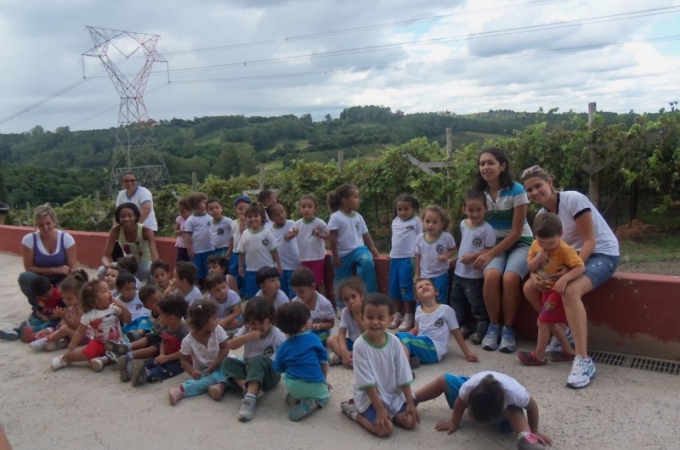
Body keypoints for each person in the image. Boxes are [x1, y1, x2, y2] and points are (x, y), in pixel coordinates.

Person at [521, 165, 619, 389]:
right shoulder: (541, 216)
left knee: (571, 290)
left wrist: (570, 271)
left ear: (550, 183)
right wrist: (535, 274)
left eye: (538, 186)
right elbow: (540, 252)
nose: (535, 192)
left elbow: (590, 242)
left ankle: (583, 360)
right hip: (567, 259)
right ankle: (565, 333)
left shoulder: (573, 200)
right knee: (528, 288)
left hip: (601, 254)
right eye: (530, 190)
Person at [473, 147, 534, 354]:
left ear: (502, 166)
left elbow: (516, 232)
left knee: (510, 278)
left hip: (521, 243)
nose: (486, 167)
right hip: (494, 245)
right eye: (482, 163)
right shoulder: (480, 194)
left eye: (490, 163)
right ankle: (494, 326)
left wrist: (489, 254)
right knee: (490, 275)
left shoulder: (517, 191)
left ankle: (508, 330)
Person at [340, 294, 419, 438]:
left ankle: (391, 412)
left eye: (380, 318)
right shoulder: (360, 345)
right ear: (362, 317)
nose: (375, 322)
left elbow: (403, 373)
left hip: (391, 392)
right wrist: (380, 409)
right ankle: (353, 412)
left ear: (390, 319)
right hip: (369, 396)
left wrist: (409, 402)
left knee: (410, 422)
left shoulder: (394, 341)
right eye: (370, 317)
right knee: (385, 430)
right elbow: (367, 383)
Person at [413, 371, 552, 450]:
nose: (476, 424)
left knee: (515, 411)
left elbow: (532, 407)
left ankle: (527, 439)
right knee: (444, 379)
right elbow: (460, 402)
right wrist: (454, 422)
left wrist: (534, 430)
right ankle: (413, 398)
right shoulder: (468, 388)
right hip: (476, 387)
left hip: (506, 403)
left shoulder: (516, 394)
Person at [518, 213, 583, 366]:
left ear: (560, 235)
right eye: (541, 242)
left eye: (551, 243)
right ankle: (569, 351)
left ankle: (539, 356)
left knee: (542, 322)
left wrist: (565, 278)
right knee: (552, 323)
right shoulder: (535, 245)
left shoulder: (564, 250)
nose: (545, 247)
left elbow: (580, 267)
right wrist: (539, 257)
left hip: (557, 292)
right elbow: (530, 266)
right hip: (544, 290)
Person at [217, 297, 285, 422]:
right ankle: (249, 388)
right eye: (253, 323)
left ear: (270, 319)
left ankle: (250, 398)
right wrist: (248, 336)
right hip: (249, 370)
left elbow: (287, 351)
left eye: (261, 322)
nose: (257, 327)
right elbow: (230, 345)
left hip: (270, 374)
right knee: (226, 360)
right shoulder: (246, 330)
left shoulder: (276, 333)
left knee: (258, 360)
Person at [51, 279, 131, 372]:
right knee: (87, 353)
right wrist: (71, 348)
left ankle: (103, 360)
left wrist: (122, 307)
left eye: (109, 289)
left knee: (125, 351)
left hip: (117, 342)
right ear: (95, 300)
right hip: (99, 342)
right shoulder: (89, 314)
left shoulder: (114, 308)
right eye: (105, 291)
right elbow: (79, 332)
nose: (110, 292)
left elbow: (127, 320)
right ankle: (65, 359)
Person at [396, 278, 478, 367]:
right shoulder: (418, 310)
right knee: (397, 339)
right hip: (422, 343)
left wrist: (467, 353)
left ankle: (404, 371)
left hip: (434, 348)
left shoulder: (446, 310)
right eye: (420, 287)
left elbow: (456, 332)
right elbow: (416, 329)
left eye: (427, 284)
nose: (424, 287)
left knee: (403, 337)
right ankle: (411, 360)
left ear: (436, 292)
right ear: (417, 299)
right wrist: (408, 336)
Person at [450, 190, 496, 344]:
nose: (475, 214)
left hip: (474, 276)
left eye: (478, 210)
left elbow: (490, 250)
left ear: (486, 209)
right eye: (470, 210)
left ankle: (481, 329)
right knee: (457, 302)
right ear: (464, 209)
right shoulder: (463, 224)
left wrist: (473, 256)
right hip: (458, 273)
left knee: (477, 305)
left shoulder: (487, 229)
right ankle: (462, 327)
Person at [274, 302, 331, 421]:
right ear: (302, 325)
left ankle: (295, 397)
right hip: (313, 383)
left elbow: (278, 369)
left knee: (289, 375)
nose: (311, 320)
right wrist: (323, 381)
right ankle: (313, 403)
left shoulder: (282, 347)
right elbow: (324, 361)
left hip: (293, 386)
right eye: (308, 318)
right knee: (325, 394)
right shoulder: (313, 338)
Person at [17, 204, 78, 316]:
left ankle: (65, 307)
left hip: (62, 280)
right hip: (41, 281)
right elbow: (29, 268)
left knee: (76, 280)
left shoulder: (66, 238)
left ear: (54, 222)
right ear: (36, 225)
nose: (45, 228)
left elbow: (73, 267)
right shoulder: (29, 240)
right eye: (41, 225)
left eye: (48, 223)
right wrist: (54, 270)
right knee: (25, 278)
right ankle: (39, 306)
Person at [168, 300, 230, 406]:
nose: (217, 321)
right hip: (205, 370)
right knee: (212, 378)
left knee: (236, 367)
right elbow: (184, 360)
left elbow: (225, 348)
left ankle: (218, 385)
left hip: (222, 362)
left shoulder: (217, 330)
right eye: (214, 318)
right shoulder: (188, 341)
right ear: (203, 322)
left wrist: (216, 363)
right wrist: (192, 371)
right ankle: (181, 390)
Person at [327, 184, 379, 304]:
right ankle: (341, 305)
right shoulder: (336, 217)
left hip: (359, 249)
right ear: (345, 200)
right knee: (341, 279)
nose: (358, 200)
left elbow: (365, 233)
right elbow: (333, 239)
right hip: (342, 253)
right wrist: (335, 256)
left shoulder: (358, 217)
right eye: (355, 197)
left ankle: (370, 296)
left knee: (367, 263)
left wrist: (372, 247)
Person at [128, 294, 190, 387]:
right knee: (150, 362)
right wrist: (162, 354)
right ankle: (134, 371)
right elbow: (163, 341)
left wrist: (168, 358)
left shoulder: (183, 331)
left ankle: (146, 375)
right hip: (166, 356)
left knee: (165, 369)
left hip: (180, 361)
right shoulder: (165, 326)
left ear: (171, 318)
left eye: (161, 315)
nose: (159, 318)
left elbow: (185, 352)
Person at [29, 271, 89, 351]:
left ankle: (46, 340)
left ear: (81, 295)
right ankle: (53, 340)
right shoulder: (71, 306)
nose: (66, 301)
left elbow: (76, 327)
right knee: (55, 327)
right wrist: (60, 324)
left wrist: (63, 317)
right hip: (73, 333)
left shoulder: (81, 309)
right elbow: (65, 321)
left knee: (64, 329)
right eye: (64, 298)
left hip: (83, 337)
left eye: (69, 299)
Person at [101, 203, 159, 283]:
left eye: (130, 215)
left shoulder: (146, 231)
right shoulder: (115, 231)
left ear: (136, 216)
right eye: (122, 216)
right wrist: (108, 266)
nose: (126, 219)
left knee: (154, 272)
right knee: (101, 271)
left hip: (144, 265)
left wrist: (155, 268)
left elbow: (154, 255)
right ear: (118, 218)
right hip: (127, 265)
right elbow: (105, 256)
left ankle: (149, 292)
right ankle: (111, 292)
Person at [389, 194, 422, 331]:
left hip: (408, 259)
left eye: (406, 209)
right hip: (394, 258)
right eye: (399, 209)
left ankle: (409, 315)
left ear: (413, 209)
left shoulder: (416, 221)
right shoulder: (395, 220)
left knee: (406, 288)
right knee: (394, 288)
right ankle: (398, 314)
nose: (402, 212)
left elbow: (421, 239)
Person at [237, 203, 282, 299]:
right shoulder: (245, 234)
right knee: (254, 297)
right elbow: (241, 252)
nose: (253, 219)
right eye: (249, 216)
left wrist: (278, 264)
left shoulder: (267, 232)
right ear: (246, 218)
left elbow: (274, 250)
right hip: (251, 271)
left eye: (255, 216)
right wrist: (240, 266)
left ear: (261, 217)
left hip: (268, 270)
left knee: (270, 294)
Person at [414, 205, 457, 305]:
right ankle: (421, 319)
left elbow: (453, 249)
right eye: (427, 221)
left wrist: (446, 255)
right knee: (422, 298)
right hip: (424, 276)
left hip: (440, 275)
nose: (430, 225)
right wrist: (417, 274)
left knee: (440, 298)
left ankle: (439, 319)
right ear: (423, 222)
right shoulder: (419, 238)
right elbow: (417, 256)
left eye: (434, 222)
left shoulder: (446, 237)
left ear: (442, 223)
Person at [295, 194, 330, 294]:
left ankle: (324, 303)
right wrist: (291, 235)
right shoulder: (297, 224)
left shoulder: (319, 222)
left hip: (317, 257)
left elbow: (330, 235)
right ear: (300, 209)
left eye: (310, 207)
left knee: (319, 281)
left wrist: (320, 235)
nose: (306, 209)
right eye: (303, 206)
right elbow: (287, 237)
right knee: (306, 283)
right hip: (303, 258)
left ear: (315, 209)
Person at [327, 277, 365, 367]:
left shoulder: (368, 310)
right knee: (331, 340)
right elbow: (341, 334)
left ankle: (353, 360)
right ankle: (348, 358)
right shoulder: (345, 312)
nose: (351, 301)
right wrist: (344, 350)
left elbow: (367, 333)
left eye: (353, 297)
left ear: (361, 296)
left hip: (366, 344)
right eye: (346, 299)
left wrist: (357, 316)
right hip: (353, 343)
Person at [291, 267, 334, 346]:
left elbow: (331, 323)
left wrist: (320, 325)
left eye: (301, 292)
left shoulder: (324, 303)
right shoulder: (296, 302)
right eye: (295, 292)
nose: (298, 295)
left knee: (310, 341)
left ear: (313, 287)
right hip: (303, 332)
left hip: (321, 333)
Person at [267, 202, 302, 299]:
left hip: (294, 265)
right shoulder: (270, 230)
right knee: (282, 291)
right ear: (271, 218)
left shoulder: (291, 224)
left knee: (293, 291)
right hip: (280, 267)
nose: (281, 215)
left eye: (282, 212)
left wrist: (290, 236)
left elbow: (288, 237)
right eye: (277, 214)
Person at [184, 192, 215, 287]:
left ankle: (208, 285)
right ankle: (196, 285)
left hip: (210, 248)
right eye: (203, 202)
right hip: (197, 250)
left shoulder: (210, 217)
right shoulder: (191, 220)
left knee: (208, 268)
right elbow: (188, 235)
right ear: (195, 205)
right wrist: (189, 249)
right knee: (196, 269)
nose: (206, 203)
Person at [115, 272, 152, 341]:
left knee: (144, 322)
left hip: (144, 319)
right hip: (130, 324)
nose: (132, 291)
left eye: (134, 288)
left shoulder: (140, 295)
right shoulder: (117, 302)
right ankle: (128, 342)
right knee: (128, 332)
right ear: (118, 290)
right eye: (128, 289)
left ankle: (139, 334)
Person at [230, 195, 251, 298]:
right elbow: (231, 237)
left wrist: (243, 222)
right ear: (235, 210)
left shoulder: (250, 223)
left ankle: (245, 292)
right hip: (235, 252)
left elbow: (244, 235)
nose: (243, 211)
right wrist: (229, 250)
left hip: (245, 253)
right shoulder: (233, 223)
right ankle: (236, 292)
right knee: (235, 272)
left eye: (245, 208)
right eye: (240, 209)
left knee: (244, 272)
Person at [175, 196, 192, 263]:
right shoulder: (179, 219)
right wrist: (181, 231)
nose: (181, 214)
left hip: (191, 246)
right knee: (180, 263)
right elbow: (176, 231)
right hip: (181, 246)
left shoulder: (193, 220)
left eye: (182, 211)